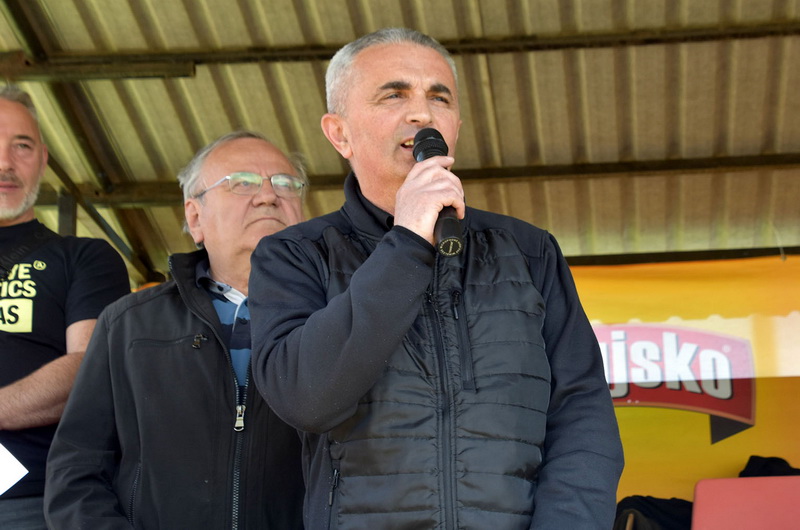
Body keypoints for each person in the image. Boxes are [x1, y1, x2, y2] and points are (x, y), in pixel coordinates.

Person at [249, 28, 624, 529]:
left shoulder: (529, 250)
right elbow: (306, 397)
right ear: (340, 134)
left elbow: (583, 416)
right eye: (394, 95)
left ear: (455, 128)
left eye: (439, 98)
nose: (422, 114)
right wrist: (407, 242)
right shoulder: (294, 255)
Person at [44, 131, 307, 529]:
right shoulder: (128, 324)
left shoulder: (338, 317)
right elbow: (76, 469)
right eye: (243, 183)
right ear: (195, 217)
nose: (269, 196)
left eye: (286, 184)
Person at [0, 85, 130, 529]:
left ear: (43, 160)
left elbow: (88, 368)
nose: (5, 163)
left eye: (22, 146)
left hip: (31, 501)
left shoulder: (83, 257)